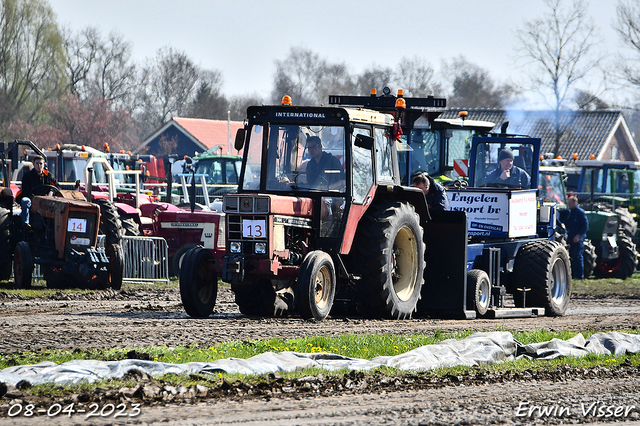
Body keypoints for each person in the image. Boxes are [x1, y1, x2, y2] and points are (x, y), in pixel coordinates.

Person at [18, 155, 60, 227]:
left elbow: (57, 186)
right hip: (31, 198)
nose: (39, 165)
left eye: (41, 164)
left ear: (44, 165)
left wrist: (51, 192)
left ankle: (55, 225)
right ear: (33, 164)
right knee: (25, 201)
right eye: (37, 163)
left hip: (45, 199)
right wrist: (35, 198)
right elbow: (25, 191)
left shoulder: (48, 175)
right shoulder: (27, 176)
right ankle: (25, 224)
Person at [565, 195, 588, 279]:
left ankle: (579, 276)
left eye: (570, 203)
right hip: (571, 238)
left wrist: (578, 236)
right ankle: (573, 275)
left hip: (577, 239)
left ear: (575, 203)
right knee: (572, 257)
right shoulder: (570, 212)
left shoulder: (580, 212)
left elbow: (585, 225)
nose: (569, 205)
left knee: (577, 257)